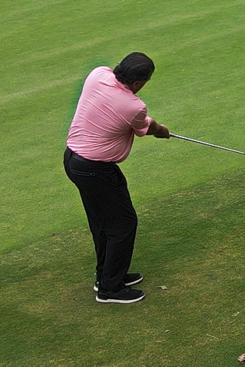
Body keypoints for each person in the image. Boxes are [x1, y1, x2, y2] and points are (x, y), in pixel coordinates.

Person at [63, 52, 170, 304]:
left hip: (73, 161)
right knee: (123, 224)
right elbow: (147, 127)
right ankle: (110, 289)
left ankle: (107, 276)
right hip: (95, 169)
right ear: (137, 83)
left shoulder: (98, 74)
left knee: (102, 223)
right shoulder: (133, 106)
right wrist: (161, 131)